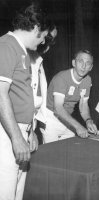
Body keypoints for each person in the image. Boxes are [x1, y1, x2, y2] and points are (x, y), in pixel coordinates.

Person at [0, 2, 50, 200]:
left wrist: (29, 131)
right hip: (6, 134)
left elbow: (21, 96)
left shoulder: (22, 50)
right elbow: (0, 95)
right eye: (44, 36)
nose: (43, 42)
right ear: (36, 28)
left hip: (20, 130)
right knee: (5, 191)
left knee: (17, 192)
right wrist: (16, 138)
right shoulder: (6, 46)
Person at [41, 50, 98, 143]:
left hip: (67, 118)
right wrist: (78, 126)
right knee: (51, 154)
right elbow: (58, 108)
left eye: (88, 63)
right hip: (51, 119)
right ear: (73, 63)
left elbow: (83, 105)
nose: (83, 66)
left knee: (71, 150)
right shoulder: (62, 78)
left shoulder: (88, 80)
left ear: (91, 67)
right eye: (80, 61)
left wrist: (88, 120)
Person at [29, 24, 57, 143]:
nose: (49, 44)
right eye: (49, 38)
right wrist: (29, 132)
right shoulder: (25, 59)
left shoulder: (38, 61)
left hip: (31, 122)